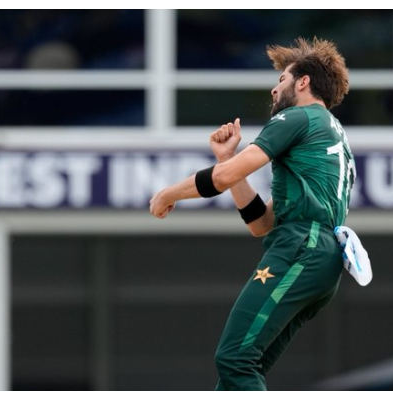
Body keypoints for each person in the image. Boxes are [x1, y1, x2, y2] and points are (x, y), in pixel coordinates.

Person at [149, 37, 355, 390]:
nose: (275, 90)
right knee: (240, 371)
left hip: (300, 248)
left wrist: (170, 193)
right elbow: (261, 224)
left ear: (303, 82)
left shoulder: (297, 116)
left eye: (282, 80)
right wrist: (227, 158)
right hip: (319, 254)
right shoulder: (333, 135)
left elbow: (224, 180)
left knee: (234, 359)